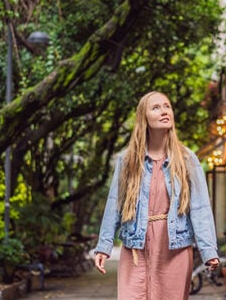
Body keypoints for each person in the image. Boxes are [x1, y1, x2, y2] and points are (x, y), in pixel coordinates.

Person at [93, 91, 219, 300]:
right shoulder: (128, 160)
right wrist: (104, 247)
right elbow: (115, 204)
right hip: (135, 246)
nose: (164, 111)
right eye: (156, 107)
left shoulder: (187, 159)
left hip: (174, 247)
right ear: (144, 118)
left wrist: (209, 250)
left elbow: (200, 207)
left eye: (167, 106)